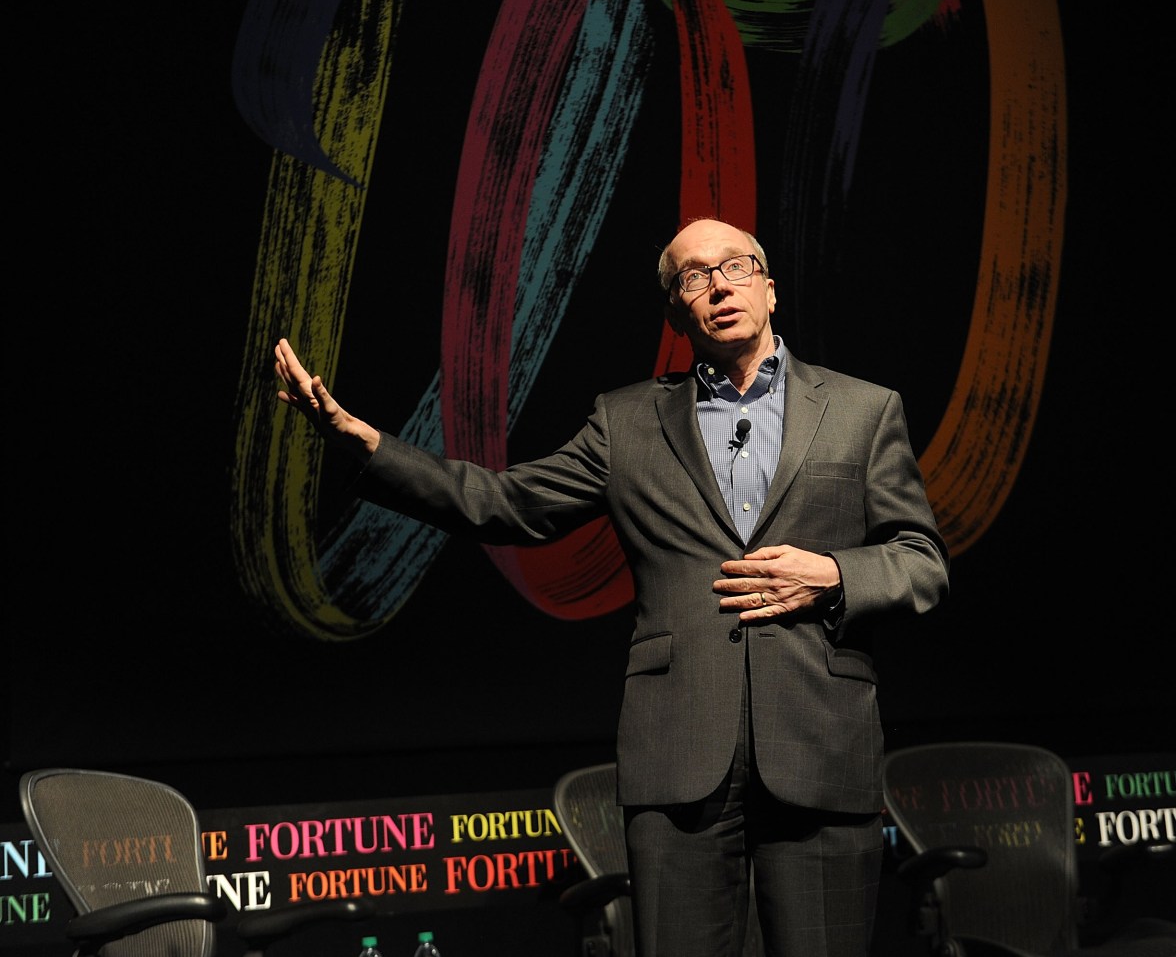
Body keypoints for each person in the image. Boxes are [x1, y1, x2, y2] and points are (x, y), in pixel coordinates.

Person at [272, 217, 950, 957]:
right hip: (680, 752)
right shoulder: (626, 423)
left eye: (735, 266)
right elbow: (506, 505)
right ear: (675, 311)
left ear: (770, 288)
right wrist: (361, 442)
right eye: (693, 276)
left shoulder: (862, 410)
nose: (719, 285)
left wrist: (835, 573)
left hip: (821, 744)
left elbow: (922, 561)